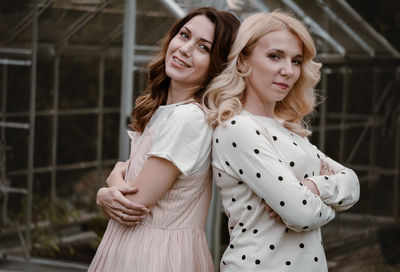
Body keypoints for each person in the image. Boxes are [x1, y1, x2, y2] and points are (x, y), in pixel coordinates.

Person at [203, 10, 360, 271]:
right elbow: (302, 213)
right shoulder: (237, 128)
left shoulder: (288, 128)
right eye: (275, 56)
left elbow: (352, 183)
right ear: (242, 62)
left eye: (296, 61)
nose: (288, 71)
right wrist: (328, 206)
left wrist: (312, 187)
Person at [88, 7, 240, 272]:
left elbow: (131, 206)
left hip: (153, 256)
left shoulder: (188, 119)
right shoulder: (166, 112)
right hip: (142, 249)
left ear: (219, 64)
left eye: (203, 47)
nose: (184, 49)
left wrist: (109, 184)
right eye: (184, 35)